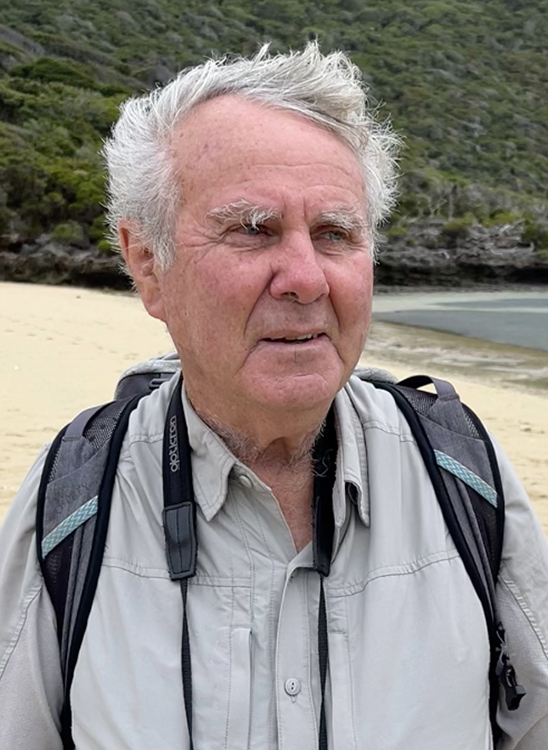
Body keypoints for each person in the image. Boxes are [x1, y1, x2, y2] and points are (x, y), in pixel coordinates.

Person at [1, 43, 548, 750]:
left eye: (335, 234)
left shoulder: (466, 478)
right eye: (252, 230)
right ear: (148, 264)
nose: (306, 278)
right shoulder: (72, 501)